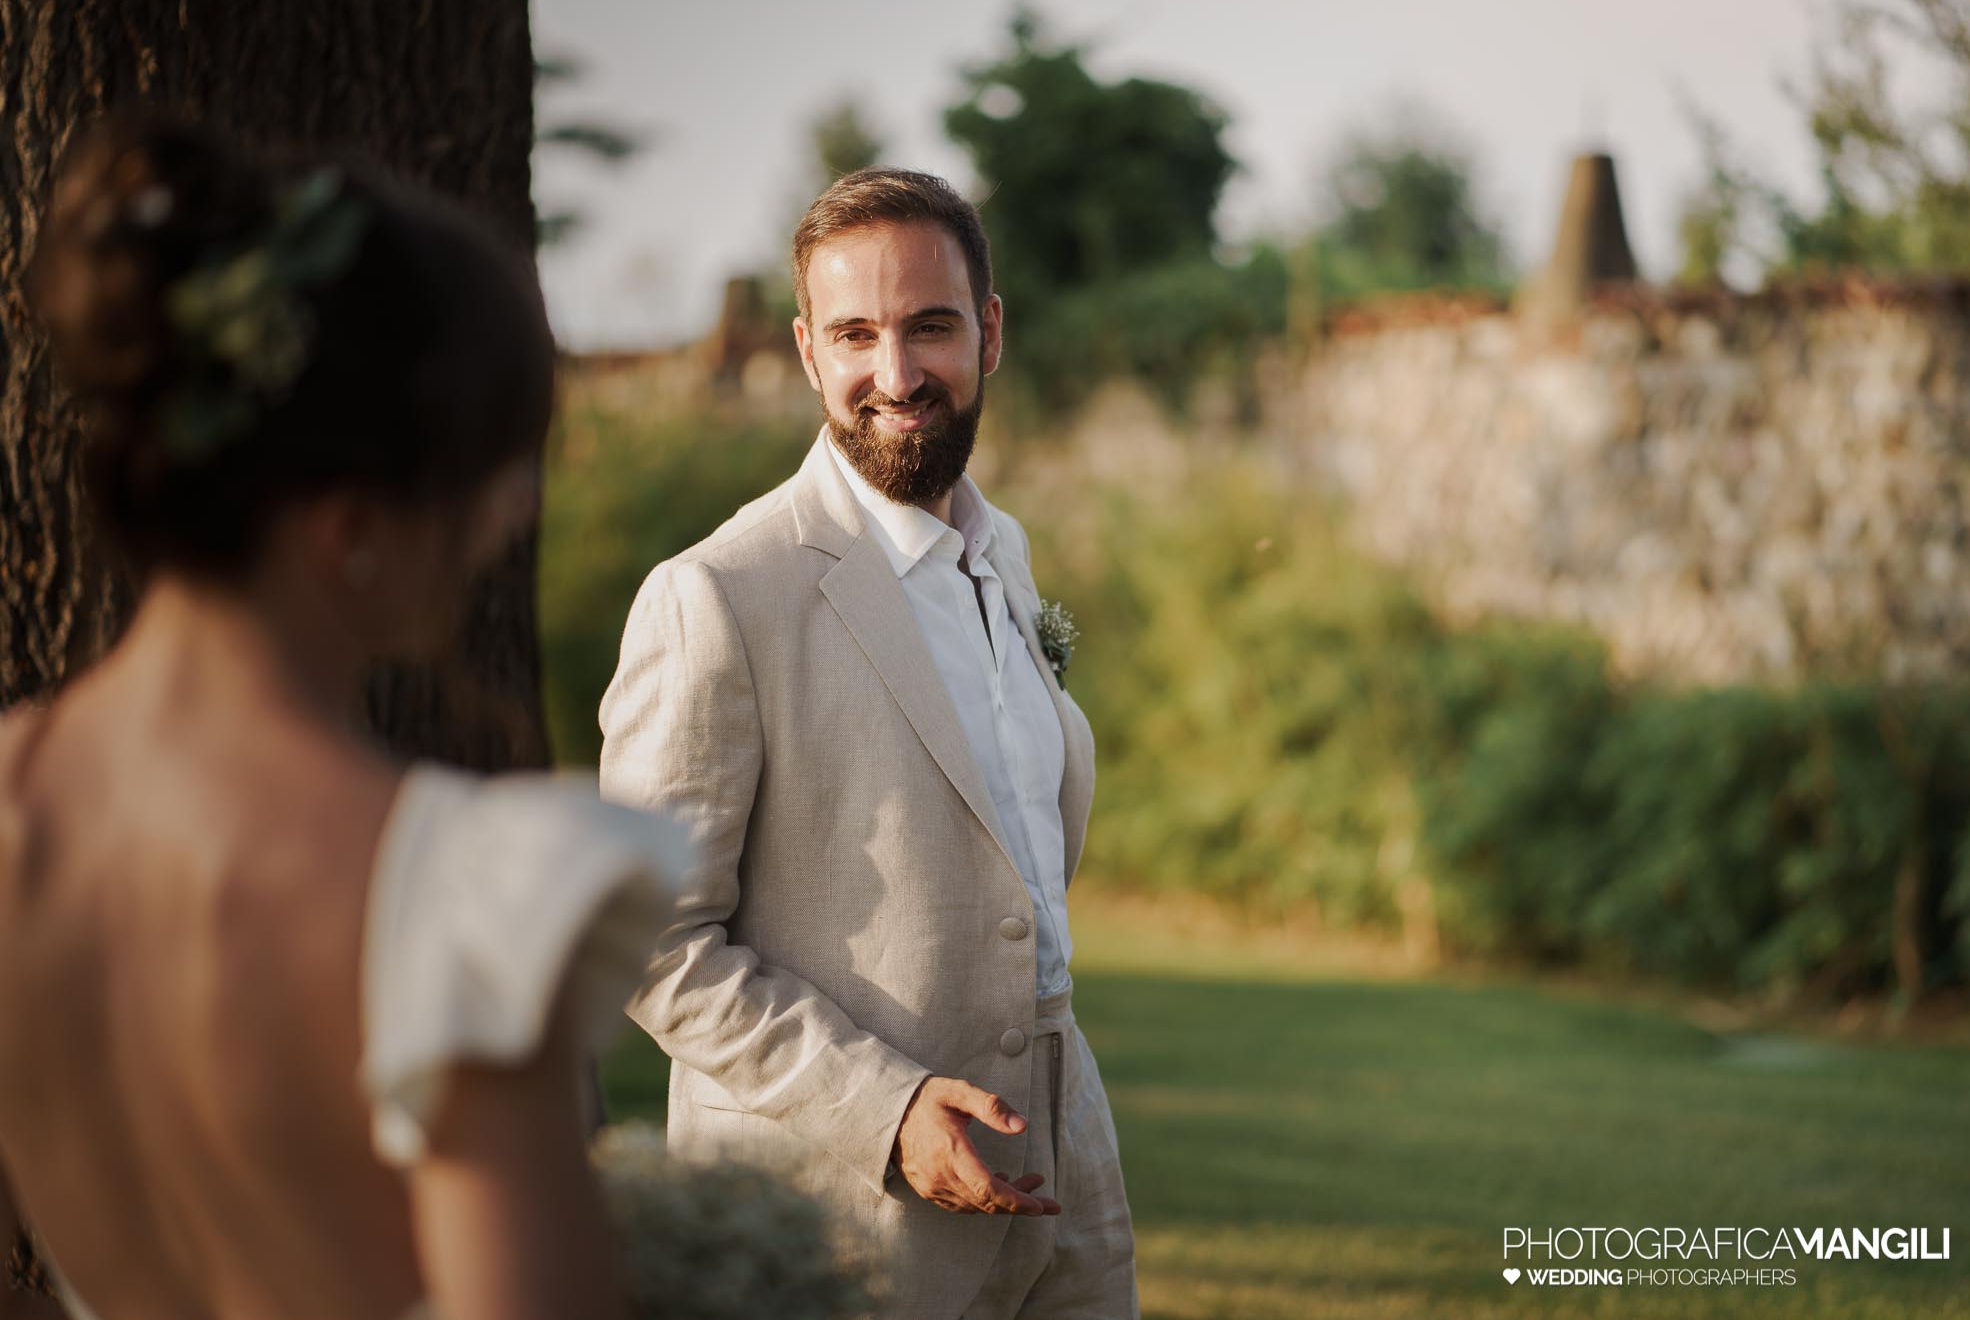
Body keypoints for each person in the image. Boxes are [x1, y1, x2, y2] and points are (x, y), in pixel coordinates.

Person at [0, 118, 687, 1320]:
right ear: (351, 525)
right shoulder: (459, 891)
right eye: (491, 468)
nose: (516, 511)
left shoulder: (17, 808)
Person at [603, 167, 1138, 1318]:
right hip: (840, 1206)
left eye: (928, 328)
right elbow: (647, 942)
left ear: (988, 333)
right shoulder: (716, 596)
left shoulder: (1004, 555)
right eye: (854, 334)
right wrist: (885, 1111)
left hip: (1066, 1164)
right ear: (806, 350)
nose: (892, 376)